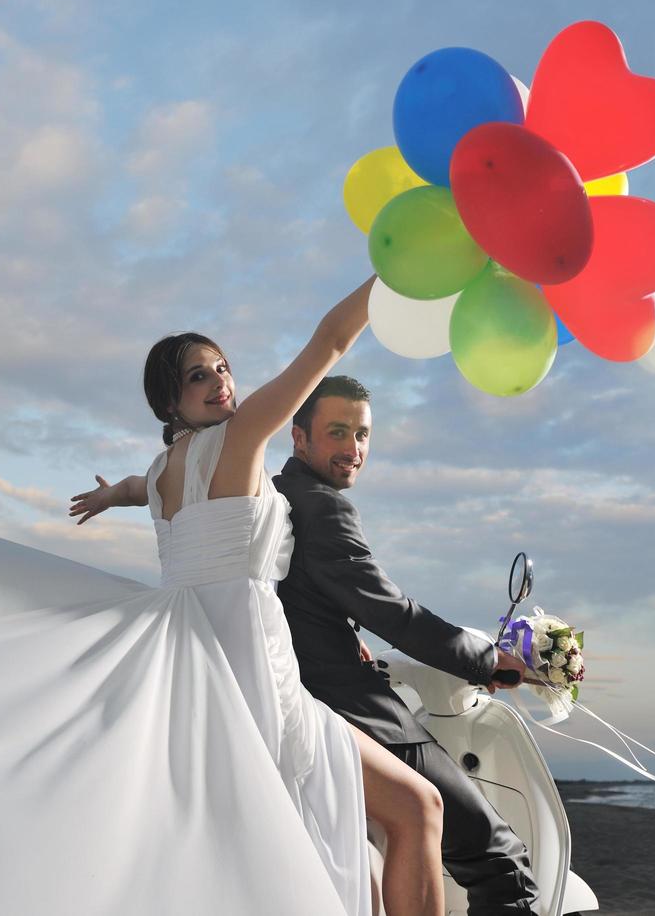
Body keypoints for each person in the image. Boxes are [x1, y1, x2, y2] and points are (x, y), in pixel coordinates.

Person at [70, 277, 448, 916]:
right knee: (417, 807)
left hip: (192, 669)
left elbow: (142, 485)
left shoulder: (166, 469)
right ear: (170, 401)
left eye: (222, 367)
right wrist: (393, 273)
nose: (220, 381)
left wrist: (112, 496)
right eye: (198, 376)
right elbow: (328, 343)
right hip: (254, 666)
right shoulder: (240, 436)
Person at [272, 375, 539, 914]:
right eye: (338, 433)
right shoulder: (324, 507)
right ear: (300, 438)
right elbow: (393, 612)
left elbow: (299, 595)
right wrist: (488, 659)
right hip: (352, 707)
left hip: (304, 691)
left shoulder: (283, 494)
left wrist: (345, 633)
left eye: (363, 435)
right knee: (499, 858)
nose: (353, 449)